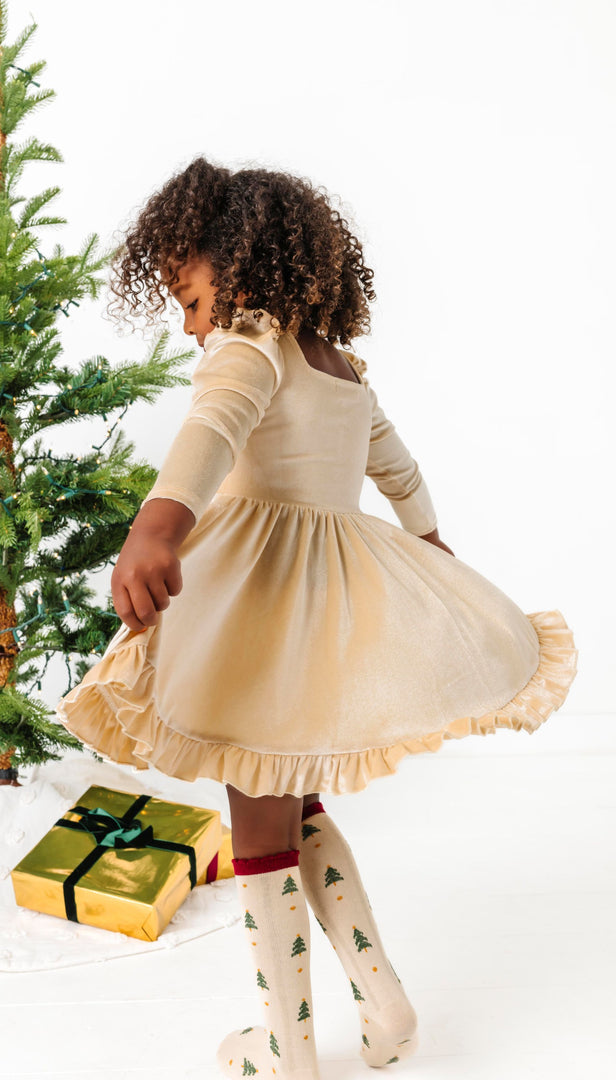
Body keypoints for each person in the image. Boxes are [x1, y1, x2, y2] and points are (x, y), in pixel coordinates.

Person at [56, 156, 578, 1079]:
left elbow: (211, 429)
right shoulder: (340, 368)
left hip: (261, 613)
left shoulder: (252, 343)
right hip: (328, 610)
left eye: (190, 299)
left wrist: (157, 528)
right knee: (294, 807)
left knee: (259, 825)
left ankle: (288, 1050)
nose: (191, 326)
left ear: (237, 266)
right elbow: (399, 470)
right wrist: (431, 543)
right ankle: (386, 1007)